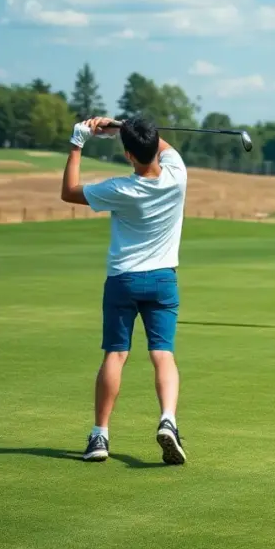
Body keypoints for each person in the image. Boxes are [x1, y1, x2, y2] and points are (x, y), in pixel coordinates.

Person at [60, 116, 188, 465]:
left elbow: (68, 192)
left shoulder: (118, 189)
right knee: (163, 355)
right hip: (163, 280)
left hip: (124, 280)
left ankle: (100, 435)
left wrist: (78, 141)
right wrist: (128, 127)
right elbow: (162, 146)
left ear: (128, 155)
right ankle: (169, 421)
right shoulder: (178, 175)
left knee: (116, 355)